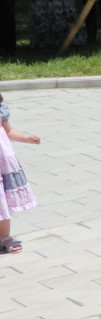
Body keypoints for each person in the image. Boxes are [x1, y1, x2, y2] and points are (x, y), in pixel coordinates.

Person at [0, 92, 39, 253]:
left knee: (2, 201)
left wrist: (27, 138)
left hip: (2, 162)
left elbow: (8, 131)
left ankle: (4, 237)